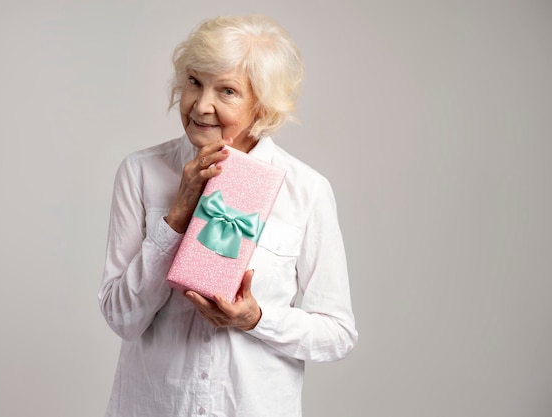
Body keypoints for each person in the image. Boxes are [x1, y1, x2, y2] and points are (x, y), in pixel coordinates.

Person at [98, 15, 358, 417]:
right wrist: (178, 215)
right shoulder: (141, 172)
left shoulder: (307, 191)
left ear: (263, 106)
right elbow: (122, 318)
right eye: (194, 82)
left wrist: (257, 318)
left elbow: (337, 334)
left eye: (228, 91)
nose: (202, 106)